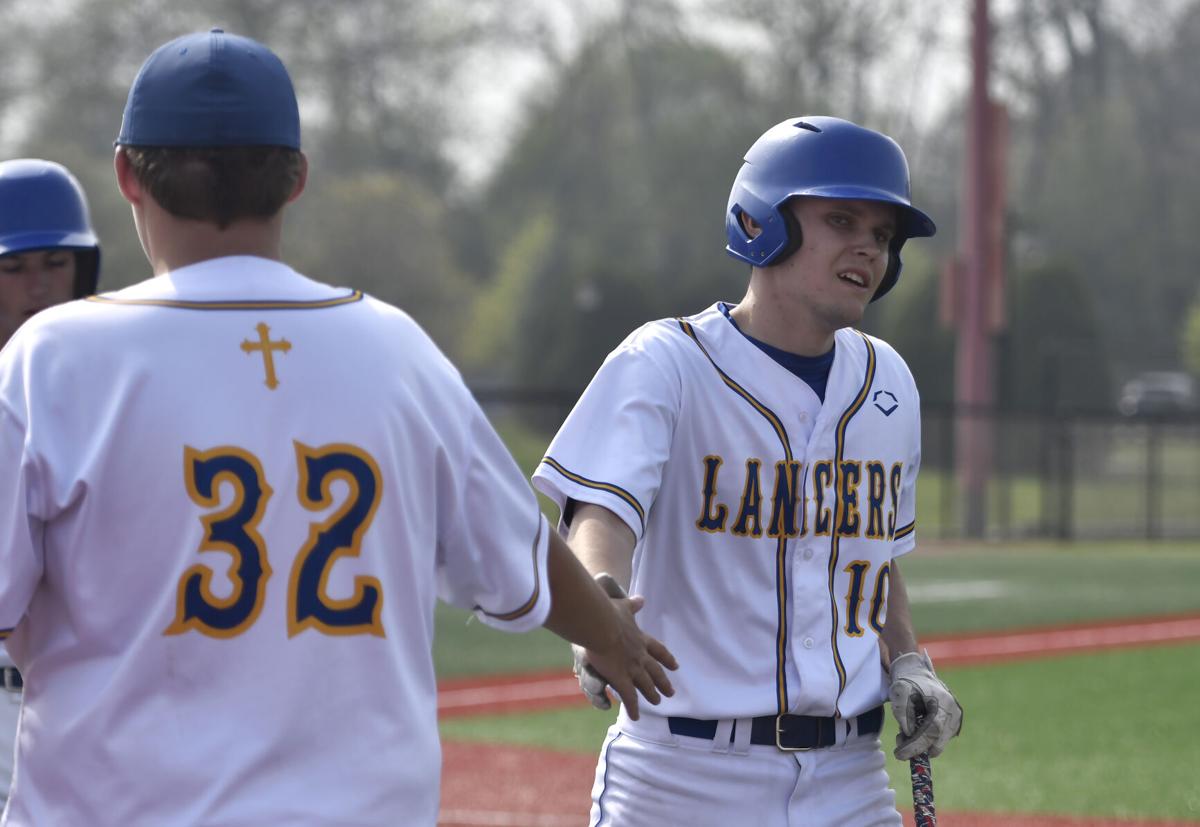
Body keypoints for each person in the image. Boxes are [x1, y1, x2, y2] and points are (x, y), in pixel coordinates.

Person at [0, 29, 674, 827]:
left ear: (125, 175)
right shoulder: (395, 348)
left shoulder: (53, 360)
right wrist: (609, 633)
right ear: (296, 179)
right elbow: (524, 560)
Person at [532, 116, 963, 826]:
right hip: (685, 777)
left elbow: (870, 553)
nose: (868, 246)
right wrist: (599, 598)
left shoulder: (889, 382)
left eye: (883, 235)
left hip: (849, 779)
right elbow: (598, 512)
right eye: (842, 218)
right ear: (763, 223)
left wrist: (907, 657)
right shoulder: (668, 362)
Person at [0, 158, 102, 812]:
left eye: (55, 264)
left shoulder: (112, 388)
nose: (38, 286)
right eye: (13, 269)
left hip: (76, 705)